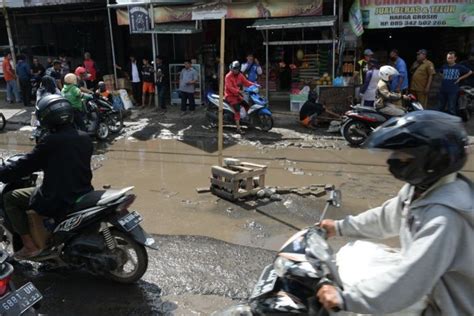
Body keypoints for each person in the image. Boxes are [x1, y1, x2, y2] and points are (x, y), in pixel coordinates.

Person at [317, 110, 473, 316]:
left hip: (444, 307)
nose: (394, 160)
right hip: (429, 289)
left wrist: (346, 299)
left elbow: (412, 279)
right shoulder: (421, 191)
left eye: (403, 155)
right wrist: (339, 227)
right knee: (355, 252)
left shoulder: (443, 219)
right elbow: (386, 217)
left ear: (430, 159)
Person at [0, 95, 93, 259]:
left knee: (10, 198)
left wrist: (4, 172)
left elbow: (26, 165)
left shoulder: (50, 142)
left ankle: (29, 246)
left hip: (57, 197)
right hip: (83, 191)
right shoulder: (84, 137)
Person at [224, 61, 254, 134]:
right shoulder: (228, 76)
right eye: (234, 69)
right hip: (230, 96)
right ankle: (238, 129)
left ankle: (246, 121)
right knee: (237, 111)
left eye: (237, 69)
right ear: (231, 68)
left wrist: (254, 85)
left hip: (237, 95)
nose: (235, 70)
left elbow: (246, 82)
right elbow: (230, 87)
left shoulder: (240, 75)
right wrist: (239, 91)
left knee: (247, 105)